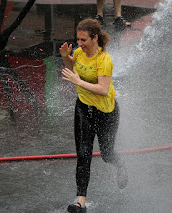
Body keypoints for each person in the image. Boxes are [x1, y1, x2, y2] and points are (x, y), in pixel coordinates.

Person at [59, 18, 128, 213]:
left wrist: (77, 82)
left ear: (95, 37)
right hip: (83, 108)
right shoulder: (79, 53)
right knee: (83, 153)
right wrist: (66, 57)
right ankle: (80, 200)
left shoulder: (104, 59)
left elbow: (103, 89)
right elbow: (75, 68)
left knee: (106, 154)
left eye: (83, 40)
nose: (79, 44)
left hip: (106, 112)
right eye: (78, 39)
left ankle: (120, 165)